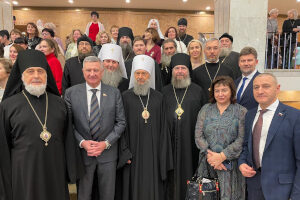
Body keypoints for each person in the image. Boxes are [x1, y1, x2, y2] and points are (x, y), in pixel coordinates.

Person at [0, 49, 83, 200]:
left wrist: (71, 172)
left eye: (40, 71)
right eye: (30, 71)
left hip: (55, 170)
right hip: (24, 173)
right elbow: (3, 147)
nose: (36, 76)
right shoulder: (7, 106)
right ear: (21, 75)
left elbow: (68, 140)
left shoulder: (60, 104)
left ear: (47, 74)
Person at [64, 55, 125, 200]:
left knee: (107, 195)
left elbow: (121, 122)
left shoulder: (114, 93)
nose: (92, 74)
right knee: (84, 195)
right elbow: (68, 124)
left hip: (108, 154)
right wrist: (82, 142)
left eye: (96, 70)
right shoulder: (71, 93)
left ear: (102, 72)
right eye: (89, 70)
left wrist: (106, 143)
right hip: (83, 154)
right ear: (83, 72)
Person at [238, 73, 300, 200]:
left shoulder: (294, 116)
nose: (260, 91)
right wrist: (242, 163)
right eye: (256, 87)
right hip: (254, 187)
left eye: (266, 86)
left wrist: (296, 196)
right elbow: (245, 146)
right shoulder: (249, 115)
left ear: (277, 88)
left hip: (283, 190)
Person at [121, 55, 172, 200]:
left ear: (150, 75)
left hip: (154, 153)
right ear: (133, 75)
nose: (140, 77)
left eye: (144, 73)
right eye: (137, 73)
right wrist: (124, 152)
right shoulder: (125, 96)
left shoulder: (158, 97)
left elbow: (164, 129)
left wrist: (163, 155)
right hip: (132, 153)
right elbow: (121, 126)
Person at [195, 76, 247, 200]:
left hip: (231, 166)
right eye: (217, 90)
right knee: (207, 196)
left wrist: (222, 156)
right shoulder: (205, 109)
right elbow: (198, 135)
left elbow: (242, 139)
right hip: (208, 164)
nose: (220, 94)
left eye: (224, 90)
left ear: (231, 91)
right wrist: (212, 157)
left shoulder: (241, 111)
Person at [162, 53, 206, 200]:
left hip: (190, 144)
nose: (180, 71)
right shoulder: (164, 91)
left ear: (188, 70)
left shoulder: (198, 91)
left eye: (183, 68)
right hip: (169, 143)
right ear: (172, 70)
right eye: (176, 68)